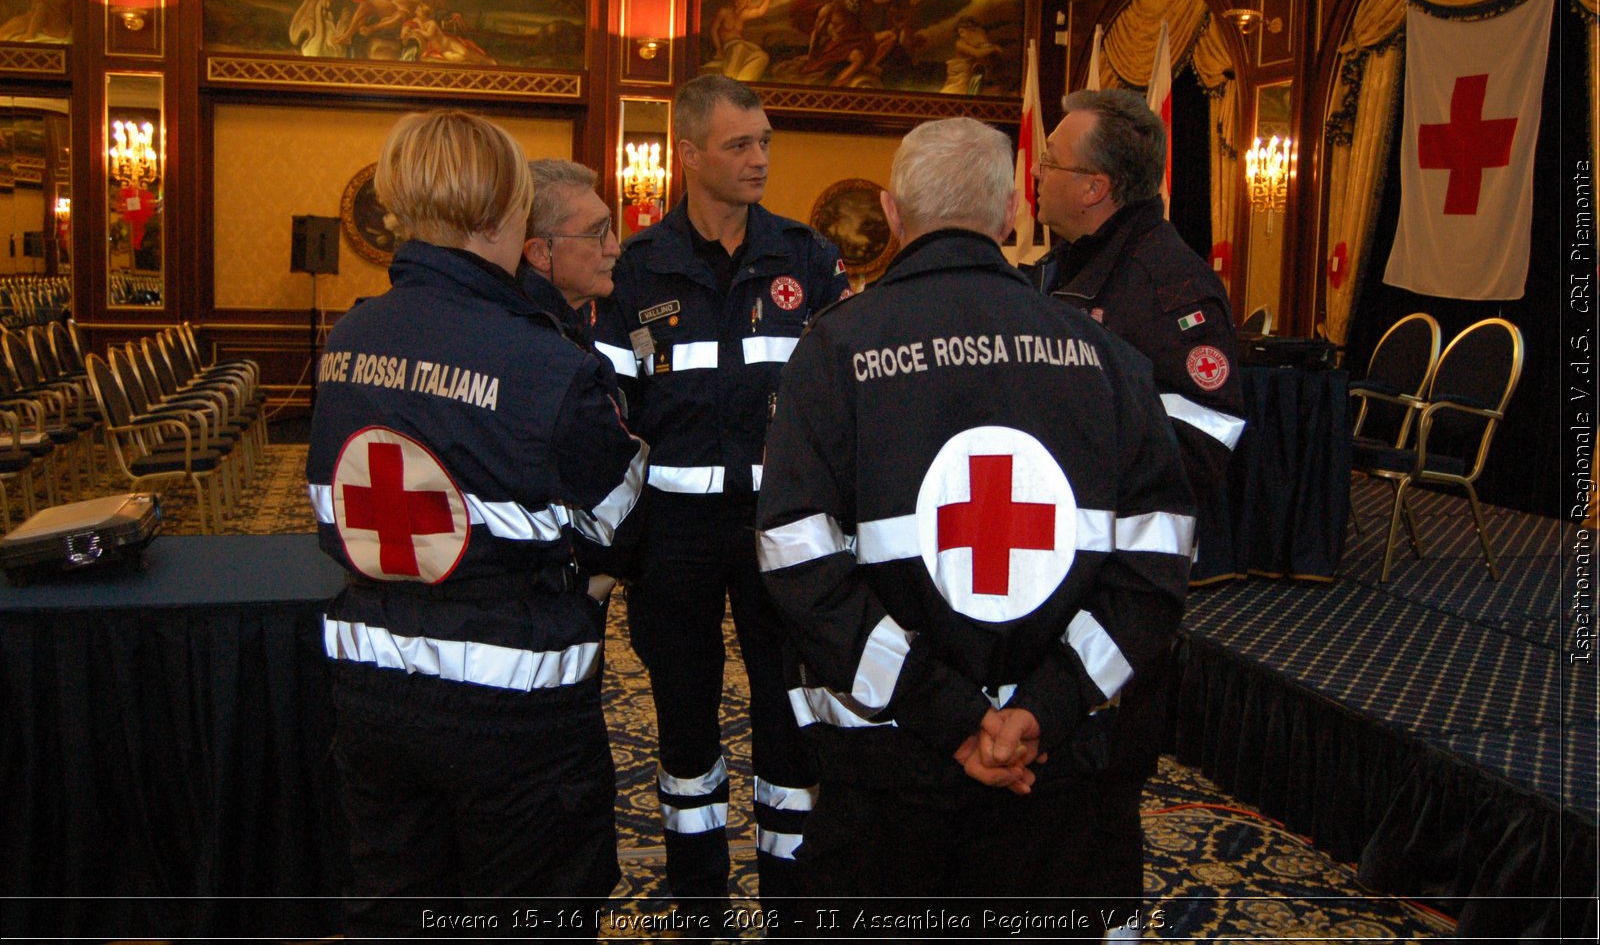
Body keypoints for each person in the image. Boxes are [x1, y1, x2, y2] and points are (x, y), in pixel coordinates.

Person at [754, 116, 1195, 935]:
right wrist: (1040, 712)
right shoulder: (1108, 361)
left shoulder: (832, 354)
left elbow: (797, 561)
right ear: (1005, 218)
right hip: (1056, 766)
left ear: (892, 213)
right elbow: (1158, 564)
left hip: (888, 763)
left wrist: (953, 719)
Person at [306, 110, 647, 939]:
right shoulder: (546, 361)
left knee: (394, 908)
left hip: (369, 687)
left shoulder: (347, 337)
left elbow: (328, 509)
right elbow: (620, 529)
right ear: (507, 215)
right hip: (514, 707)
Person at [593, 74, 847, 925]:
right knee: (684, 723)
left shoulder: (806, 258)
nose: (760, 159)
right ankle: (698, 898)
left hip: (783, 536)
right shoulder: (636, 270)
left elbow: (840, 399)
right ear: (690, 153)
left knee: (790, 720)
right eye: (739, 144)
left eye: (765, 141)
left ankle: (792, 907)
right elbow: (610, 417)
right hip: (677, 540)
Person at [1024, 88, 1246, 928]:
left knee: (1104, 788)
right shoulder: (1070, 265)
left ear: (1097, 186)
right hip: (1058, 571)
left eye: (1052, 160)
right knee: (1058, 790)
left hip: (1118, 582)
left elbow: (1204, 442)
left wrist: (1093, 506)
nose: (1036, 173)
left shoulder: (1167, 283)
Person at [520, 158, 621, 346]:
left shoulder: (572, 325)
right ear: (539, 253)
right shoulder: (531, 348)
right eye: (597, 233)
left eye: (609, 227)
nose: (614, 249)